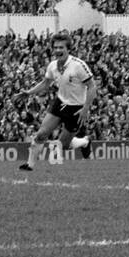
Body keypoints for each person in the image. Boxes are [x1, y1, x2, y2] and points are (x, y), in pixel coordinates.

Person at [12, 31, 95, 171]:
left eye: (61, 47)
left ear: (68, 49)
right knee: (41, 134)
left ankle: (84, 142)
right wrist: (29, 92)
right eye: (55, 47)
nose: (58, 50)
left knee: (64, 145)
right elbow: (46, 83)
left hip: (76, 108)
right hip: (60, 103)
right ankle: (29, 165)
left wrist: (86, 108)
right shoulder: (52, 66)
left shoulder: (78, 65)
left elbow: (92, 86)